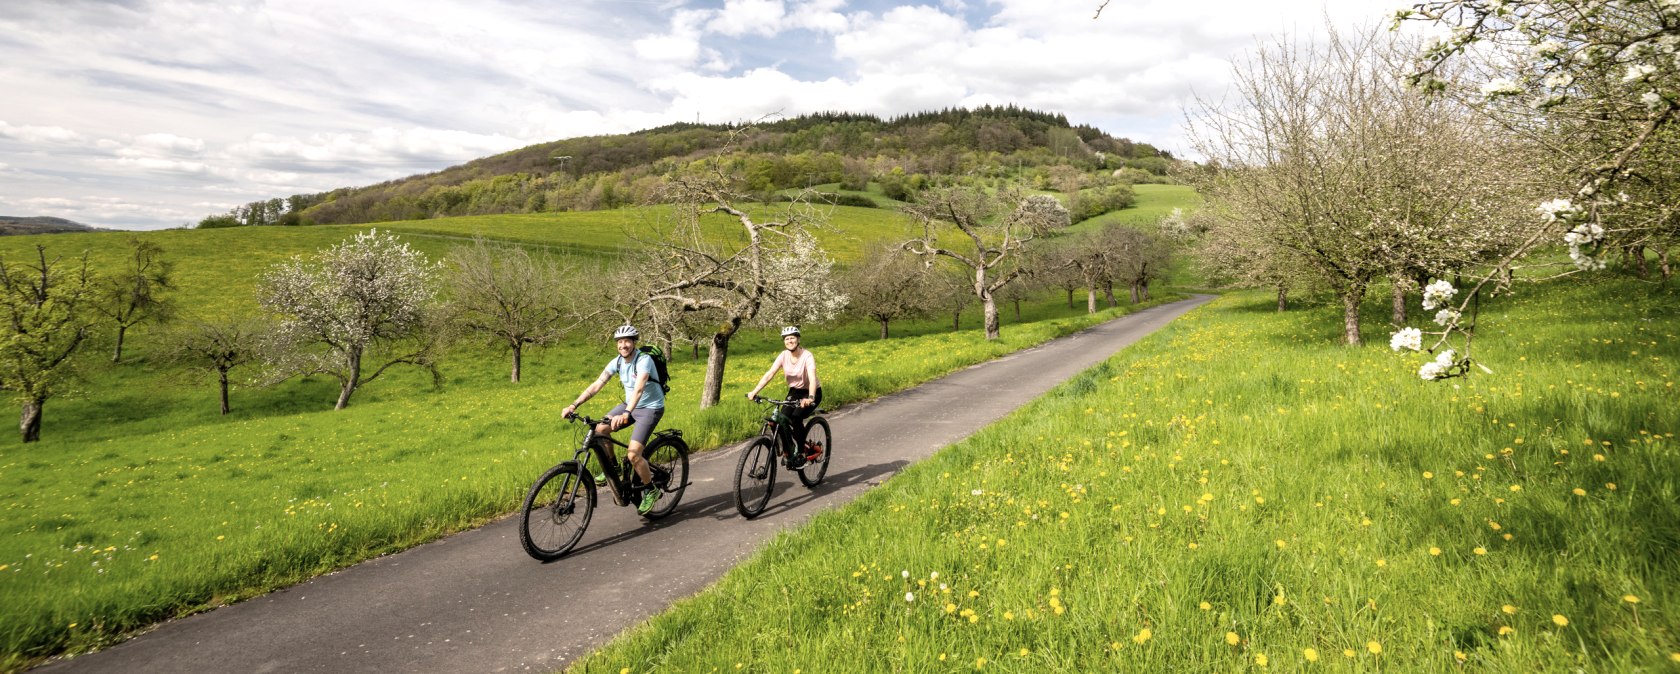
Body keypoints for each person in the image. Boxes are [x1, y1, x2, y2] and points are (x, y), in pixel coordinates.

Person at [563, 324, 666, 514]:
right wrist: (574, 405)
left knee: (633, 454)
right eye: (620, 342)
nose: (623, 345)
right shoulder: (617, 362)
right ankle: (615, 468)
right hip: (629, 405)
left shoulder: (644, 361)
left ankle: (651, 490)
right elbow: (597, 384)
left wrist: (626, 413)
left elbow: (639, 388)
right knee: (601, 430)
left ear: (634, 343)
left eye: (627, 341)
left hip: (650, 408)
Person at [745, 325, 823, 466]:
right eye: (787, 339)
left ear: (798, 339)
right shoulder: (783, 355)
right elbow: (770, 374)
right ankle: (788, 451)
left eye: (792, 338)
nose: (790, 341)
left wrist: (810, 397)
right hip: (795, 391)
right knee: (782, 419)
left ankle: (801, 453)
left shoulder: (807, 356)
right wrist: (754, 391)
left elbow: (812, 378)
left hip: (811, 392)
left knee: (796, 417)